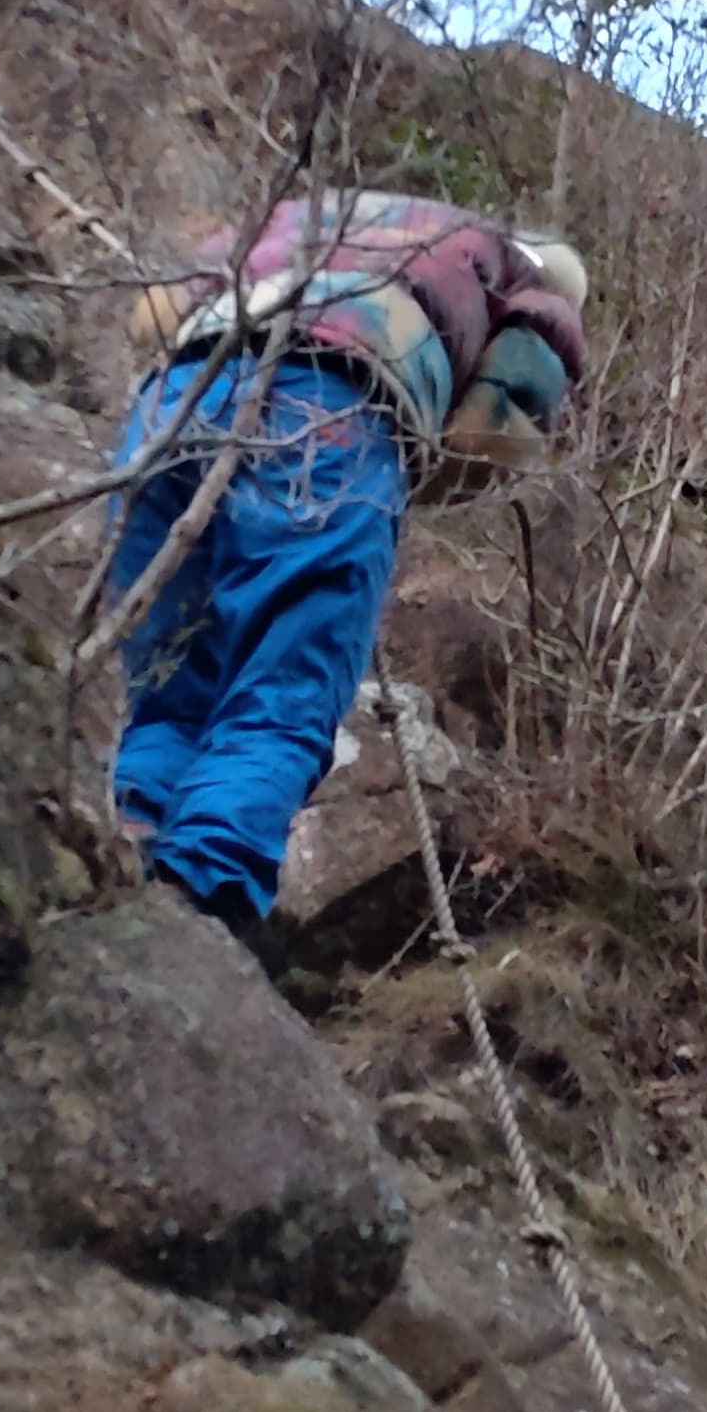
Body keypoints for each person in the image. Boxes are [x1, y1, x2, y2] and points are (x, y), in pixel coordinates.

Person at [105, 188, 588, 942]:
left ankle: (129, 838)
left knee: (168, 684)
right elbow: (496, 433)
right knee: (281, 690)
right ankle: (196, 905)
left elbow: (155, 313)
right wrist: (406, 474)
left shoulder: (297, 211)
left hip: (175, 399)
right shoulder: (529, 282)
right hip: (330, 415)